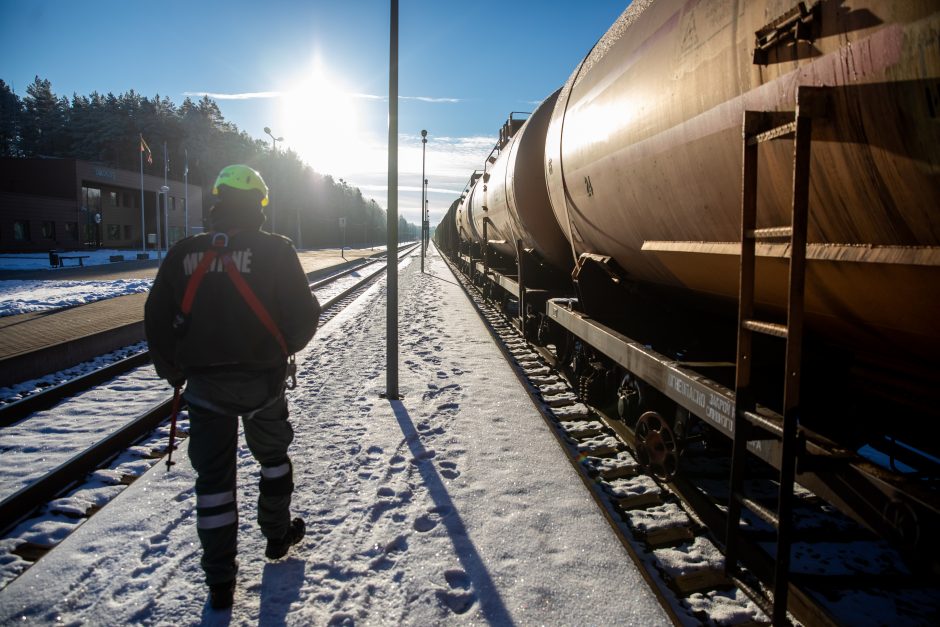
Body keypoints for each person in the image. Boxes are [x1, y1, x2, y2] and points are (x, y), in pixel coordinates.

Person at [144, 164, 321, 610]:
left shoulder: (184, 252)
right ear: (260, 203)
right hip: (262, 382)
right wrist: (282, 347)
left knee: (215, 483)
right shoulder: (277, 250)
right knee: (275, 461)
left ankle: (220, 581)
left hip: (204, 389)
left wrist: (175, 372)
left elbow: (155, 320)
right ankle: (277, 536)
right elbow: (303, 318)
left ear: (218, 198)